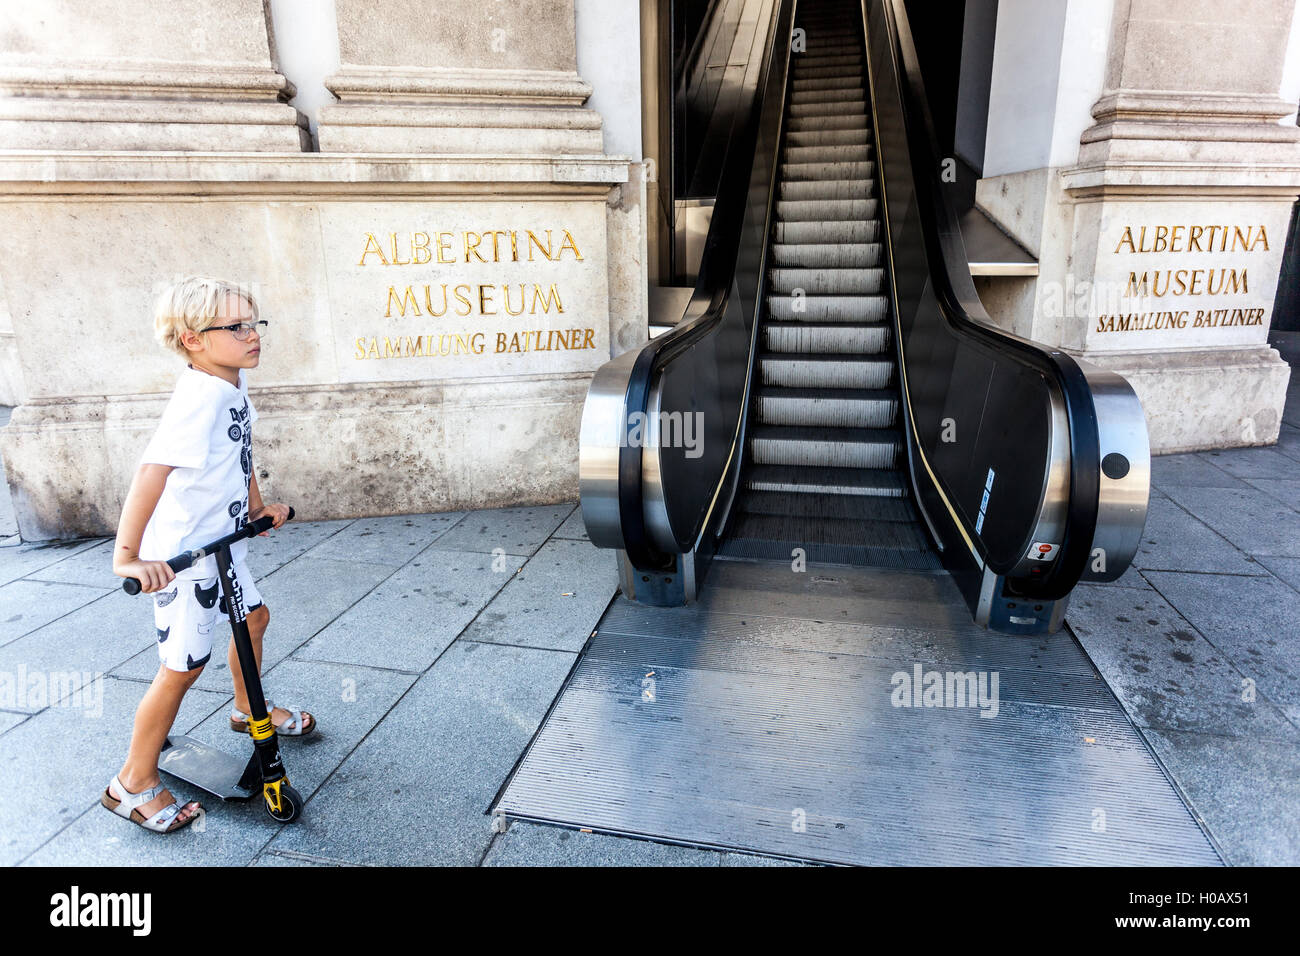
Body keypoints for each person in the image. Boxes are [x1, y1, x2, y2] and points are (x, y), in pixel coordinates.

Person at [103, 276, 313, 833]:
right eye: (236, 326)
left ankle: (247, 712)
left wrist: (257, 509)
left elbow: (240, 452)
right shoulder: (196, 400)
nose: (252, 334)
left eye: (254, 322)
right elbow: (150, 475)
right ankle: (132, 782)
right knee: (181, 668)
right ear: (193, 339)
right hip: (183, 559)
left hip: (221, 545)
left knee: (254, 619)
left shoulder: (230, 385)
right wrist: (128, 557)